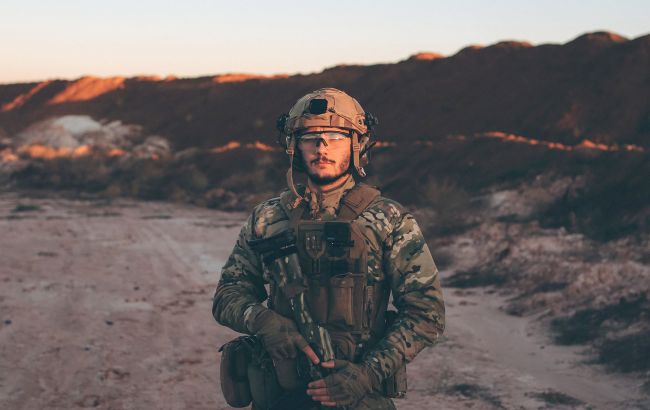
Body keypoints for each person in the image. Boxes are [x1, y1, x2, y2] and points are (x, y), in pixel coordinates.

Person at [212, 88, 445, 410]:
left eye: (335, 137)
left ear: (357, 144)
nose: (322, 148)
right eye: (311, 138)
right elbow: (227, 294)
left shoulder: (388, 218)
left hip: (359, 397)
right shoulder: (267, 218)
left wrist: (366, 375)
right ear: (294, 146)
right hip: (281, 394)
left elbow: (427, 313)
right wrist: (264, 321)